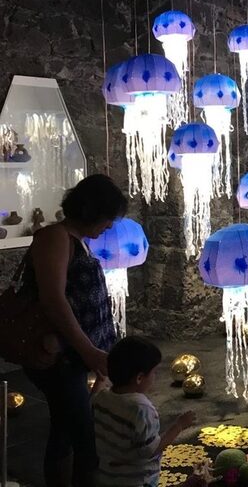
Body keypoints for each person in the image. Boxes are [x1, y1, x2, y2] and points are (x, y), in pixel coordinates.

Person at [23, 174, 126, 486]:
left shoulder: (74, 240)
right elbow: (54, 300)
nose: (109, 226)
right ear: (90, 210)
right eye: (107, 218)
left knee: (66, 429)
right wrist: (89, 350)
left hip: (73, 357)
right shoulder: (55, 237)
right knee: (82, 436)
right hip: (61, 357)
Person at [92, 337, 196, 487]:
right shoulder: (141, 410)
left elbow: (94, 399)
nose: (155, 377)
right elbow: (151, 450)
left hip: (107, 477)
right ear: (140, 378)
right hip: (137, 481)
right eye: (153, 373)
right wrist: (178, 426)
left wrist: (100, 381)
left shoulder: (101, 398)